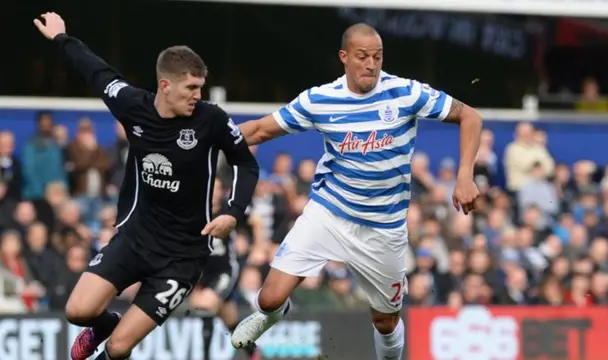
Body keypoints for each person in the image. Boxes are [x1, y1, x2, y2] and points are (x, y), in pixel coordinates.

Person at [230, 23, 482, 360]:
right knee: (269, 298)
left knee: (385, 320)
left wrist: (464, 175)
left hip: (384, 227)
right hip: (330, 212)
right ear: (344, 57)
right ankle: (272, 314)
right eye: (362, 57)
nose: (371, 64)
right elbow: (260, 130)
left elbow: (470, 117)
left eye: (377, 57)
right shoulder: (321, 99)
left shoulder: (406, 93)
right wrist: (209, 137)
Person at [34, 12, 259, 360]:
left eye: (200, 88)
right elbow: (97, 72)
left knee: (120, 348)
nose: (197, 96)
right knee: (77, 311)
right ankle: (104, 323)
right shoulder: (132, 106)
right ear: (165, 86)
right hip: (134, 240)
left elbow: (246, 162)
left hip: (182, 257)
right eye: (191, 88)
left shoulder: (211, 120)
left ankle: (111, 341)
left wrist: (232, 211)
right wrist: (62, 38)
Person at [190, 176, 259, 360]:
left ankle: (205, 357)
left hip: (225, 271)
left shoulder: (229, 211)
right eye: (210, 188)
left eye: (217, 189)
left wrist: (257, 247)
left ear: (222, 192)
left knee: (205, 306)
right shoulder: (195, 211)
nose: (213, 193)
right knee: (231, 321)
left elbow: (256, 222)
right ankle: (254, 353)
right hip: (202, 273)